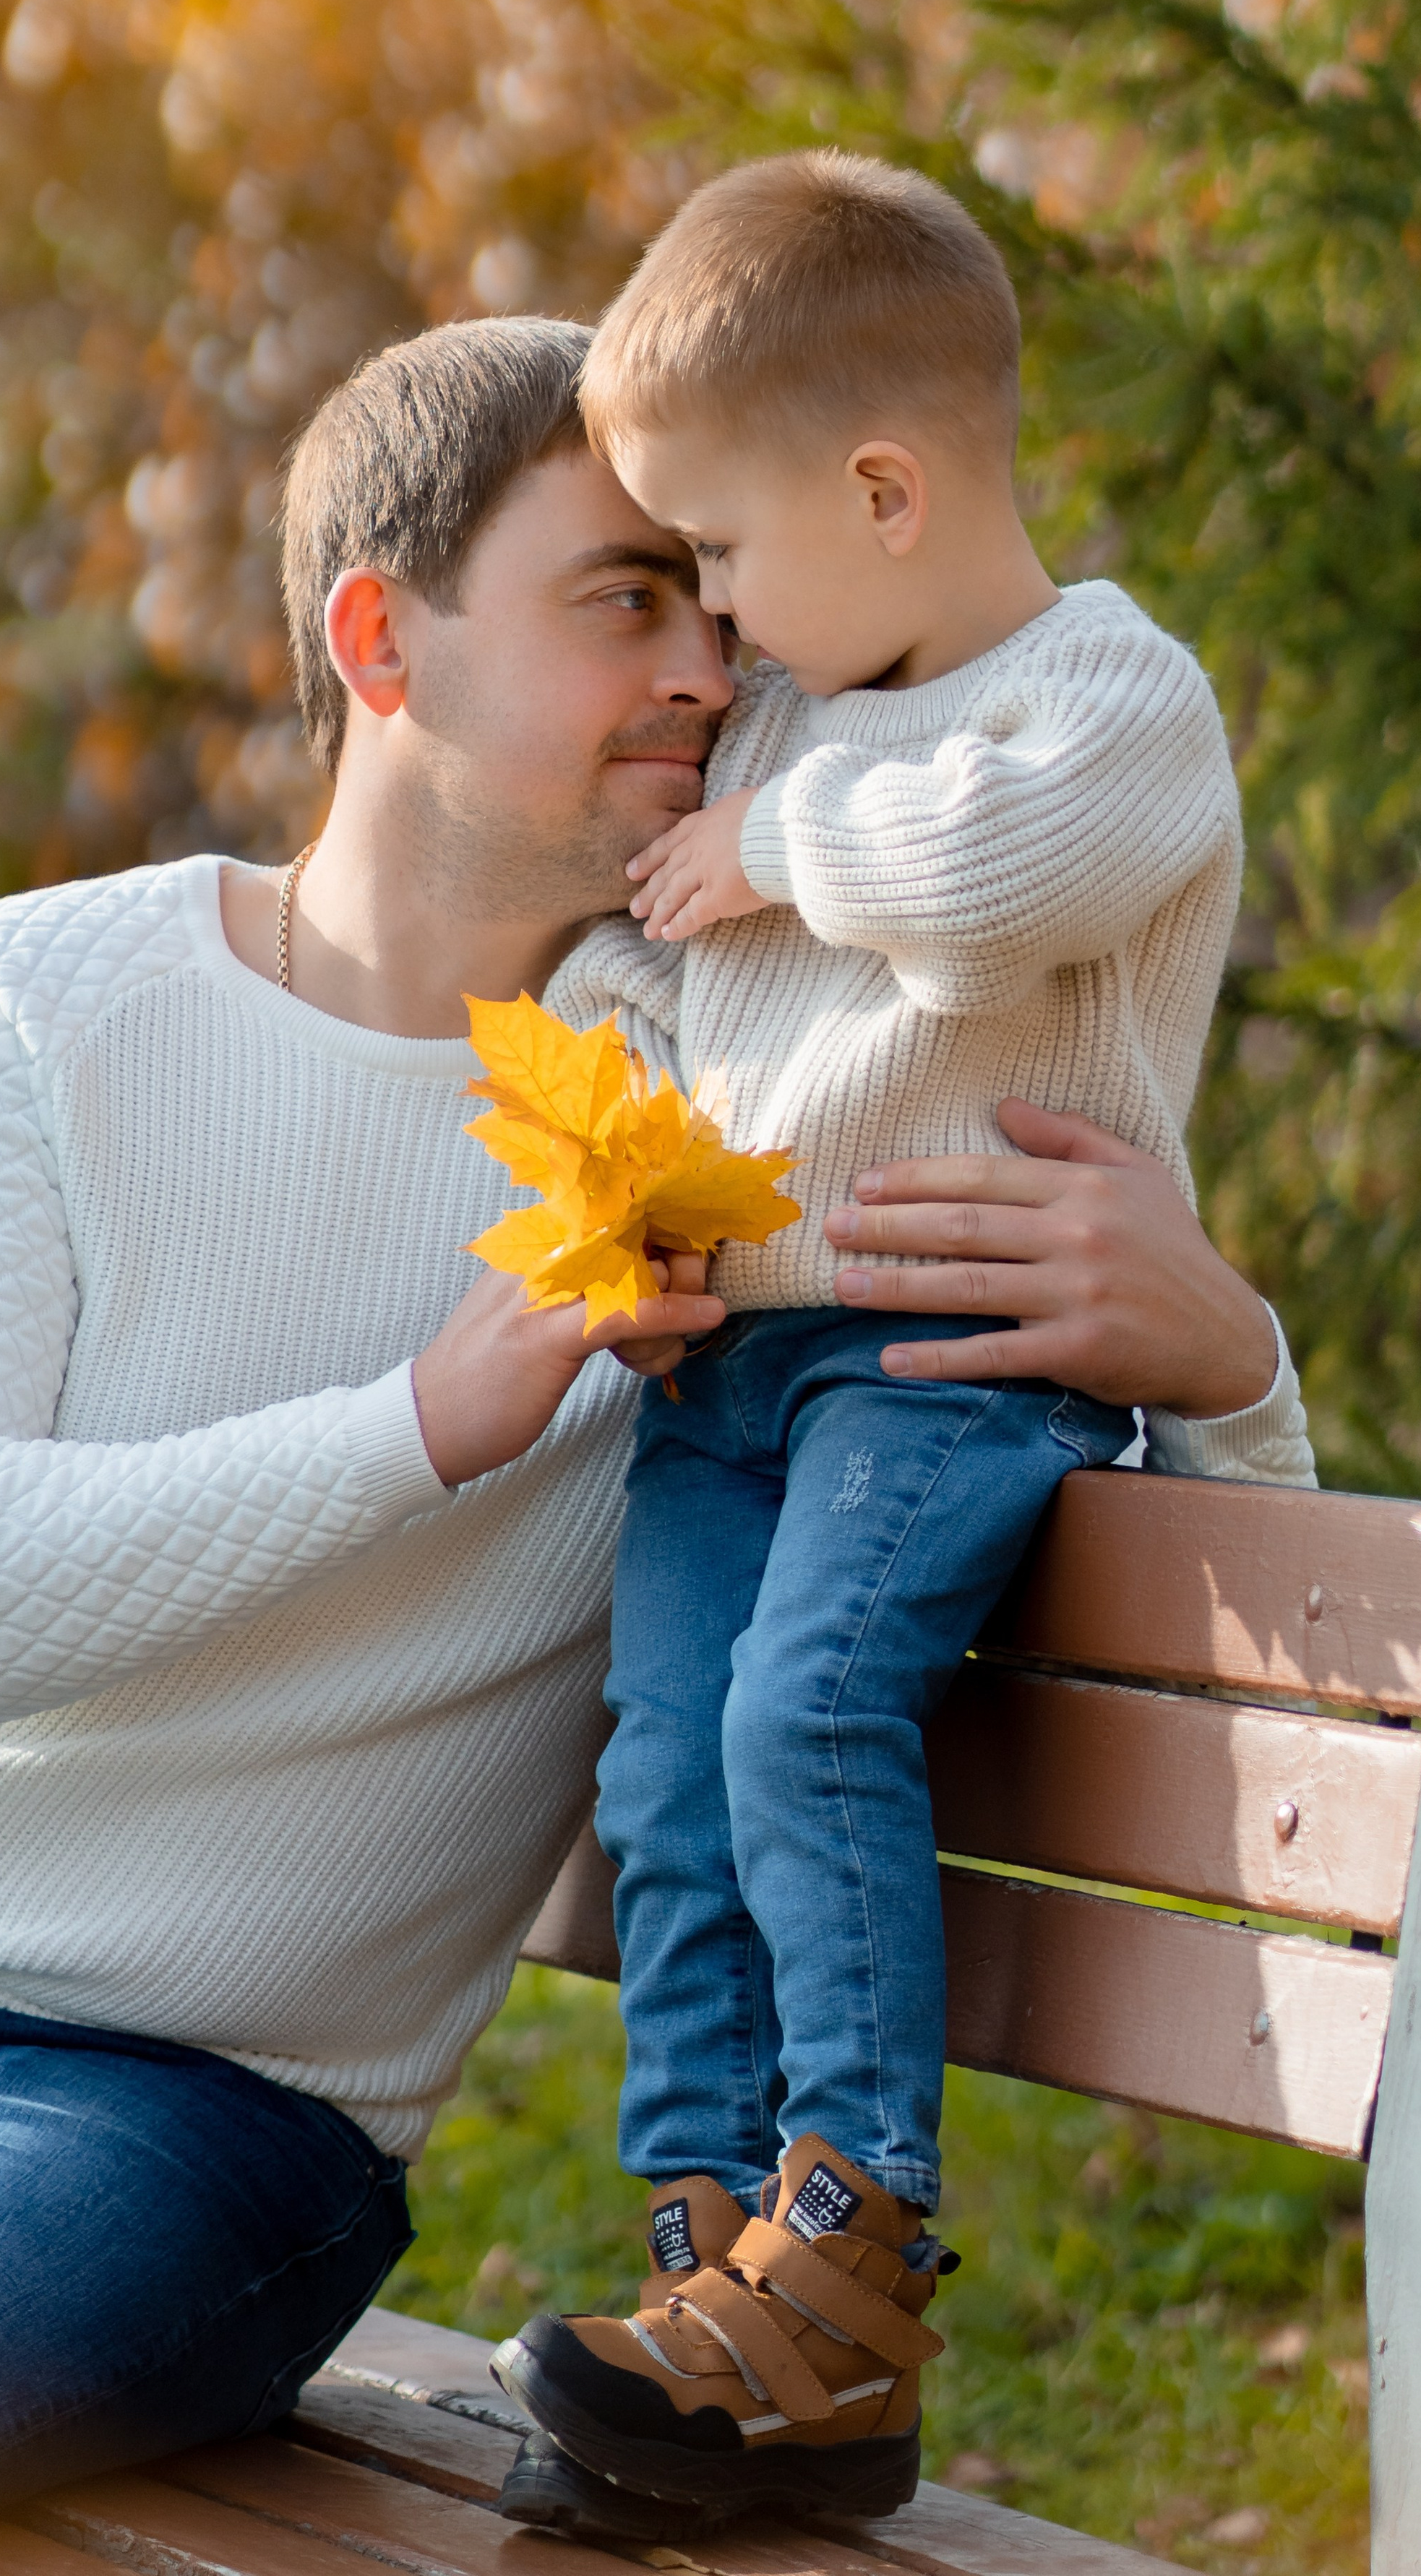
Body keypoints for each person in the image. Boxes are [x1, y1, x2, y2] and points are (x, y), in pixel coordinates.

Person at [0, 315, 1309, 2576]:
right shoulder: (38, 1002)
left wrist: (1228, 1357)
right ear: (378, 639)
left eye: (715, 597)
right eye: (626, 596)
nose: (713, 664)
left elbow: (1101, 1577)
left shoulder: (739, 1149)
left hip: (165, 2109)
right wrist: (422, 1424)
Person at [493, 153, 1270, 2536]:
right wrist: (614, 1083)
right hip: (739, 1363)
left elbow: (997, 885)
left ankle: (848, 2242)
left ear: (885, 489)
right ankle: (715, 2272)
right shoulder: (780, 746)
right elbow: (650, 953)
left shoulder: (1104, 698)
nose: (712, 632)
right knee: (664, 1766)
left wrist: (785, 858)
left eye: (723, 558)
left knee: (805, 1708)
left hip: (958, 1360)